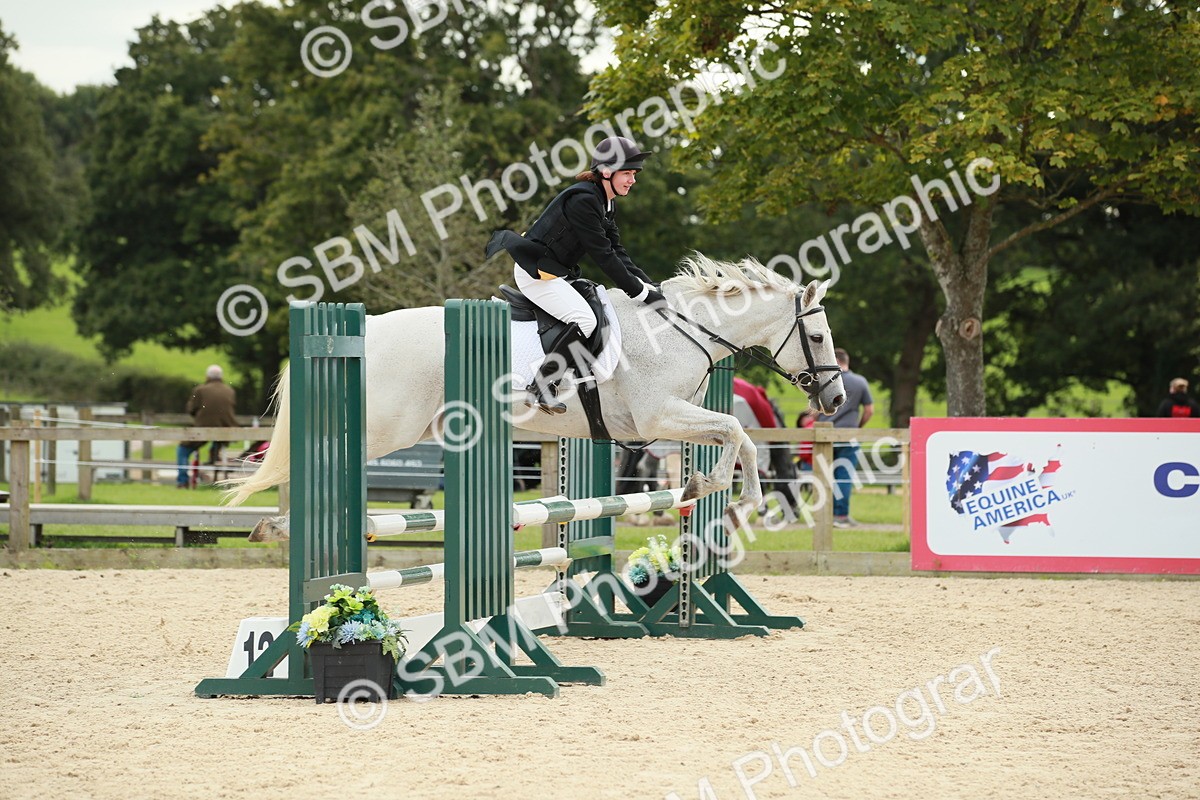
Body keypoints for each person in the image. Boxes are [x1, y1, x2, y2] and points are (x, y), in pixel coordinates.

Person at [486, 136, 665, 414]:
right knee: (584, 318)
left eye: (634, 174)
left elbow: (618, 250)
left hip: (556, 273)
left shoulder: (606, 203)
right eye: (627, 173)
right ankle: (542, 384)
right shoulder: (583, 200)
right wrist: (639, 293)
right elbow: (603, 255)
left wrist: (649, 285)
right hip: (536, 273)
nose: (633, 180)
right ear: (606, 171)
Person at [817, 349, 874, 528]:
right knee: (844, 476)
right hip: (849, 435)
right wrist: (858, 427)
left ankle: (822, 516)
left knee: (824, 477)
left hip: (824, 435)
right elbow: (869, 410)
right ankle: (841, 516)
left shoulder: (824, 381)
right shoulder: (860, 382)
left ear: (835, 360)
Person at [177, 365, 238, 488]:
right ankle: (214, 453)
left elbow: (191, 409)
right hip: (225, 431)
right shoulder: (230, 391)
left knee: (182, 450)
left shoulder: (200, 390)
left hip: (203, 429)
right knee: (217, 443)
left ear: (207, 376)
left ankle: (182, 481)